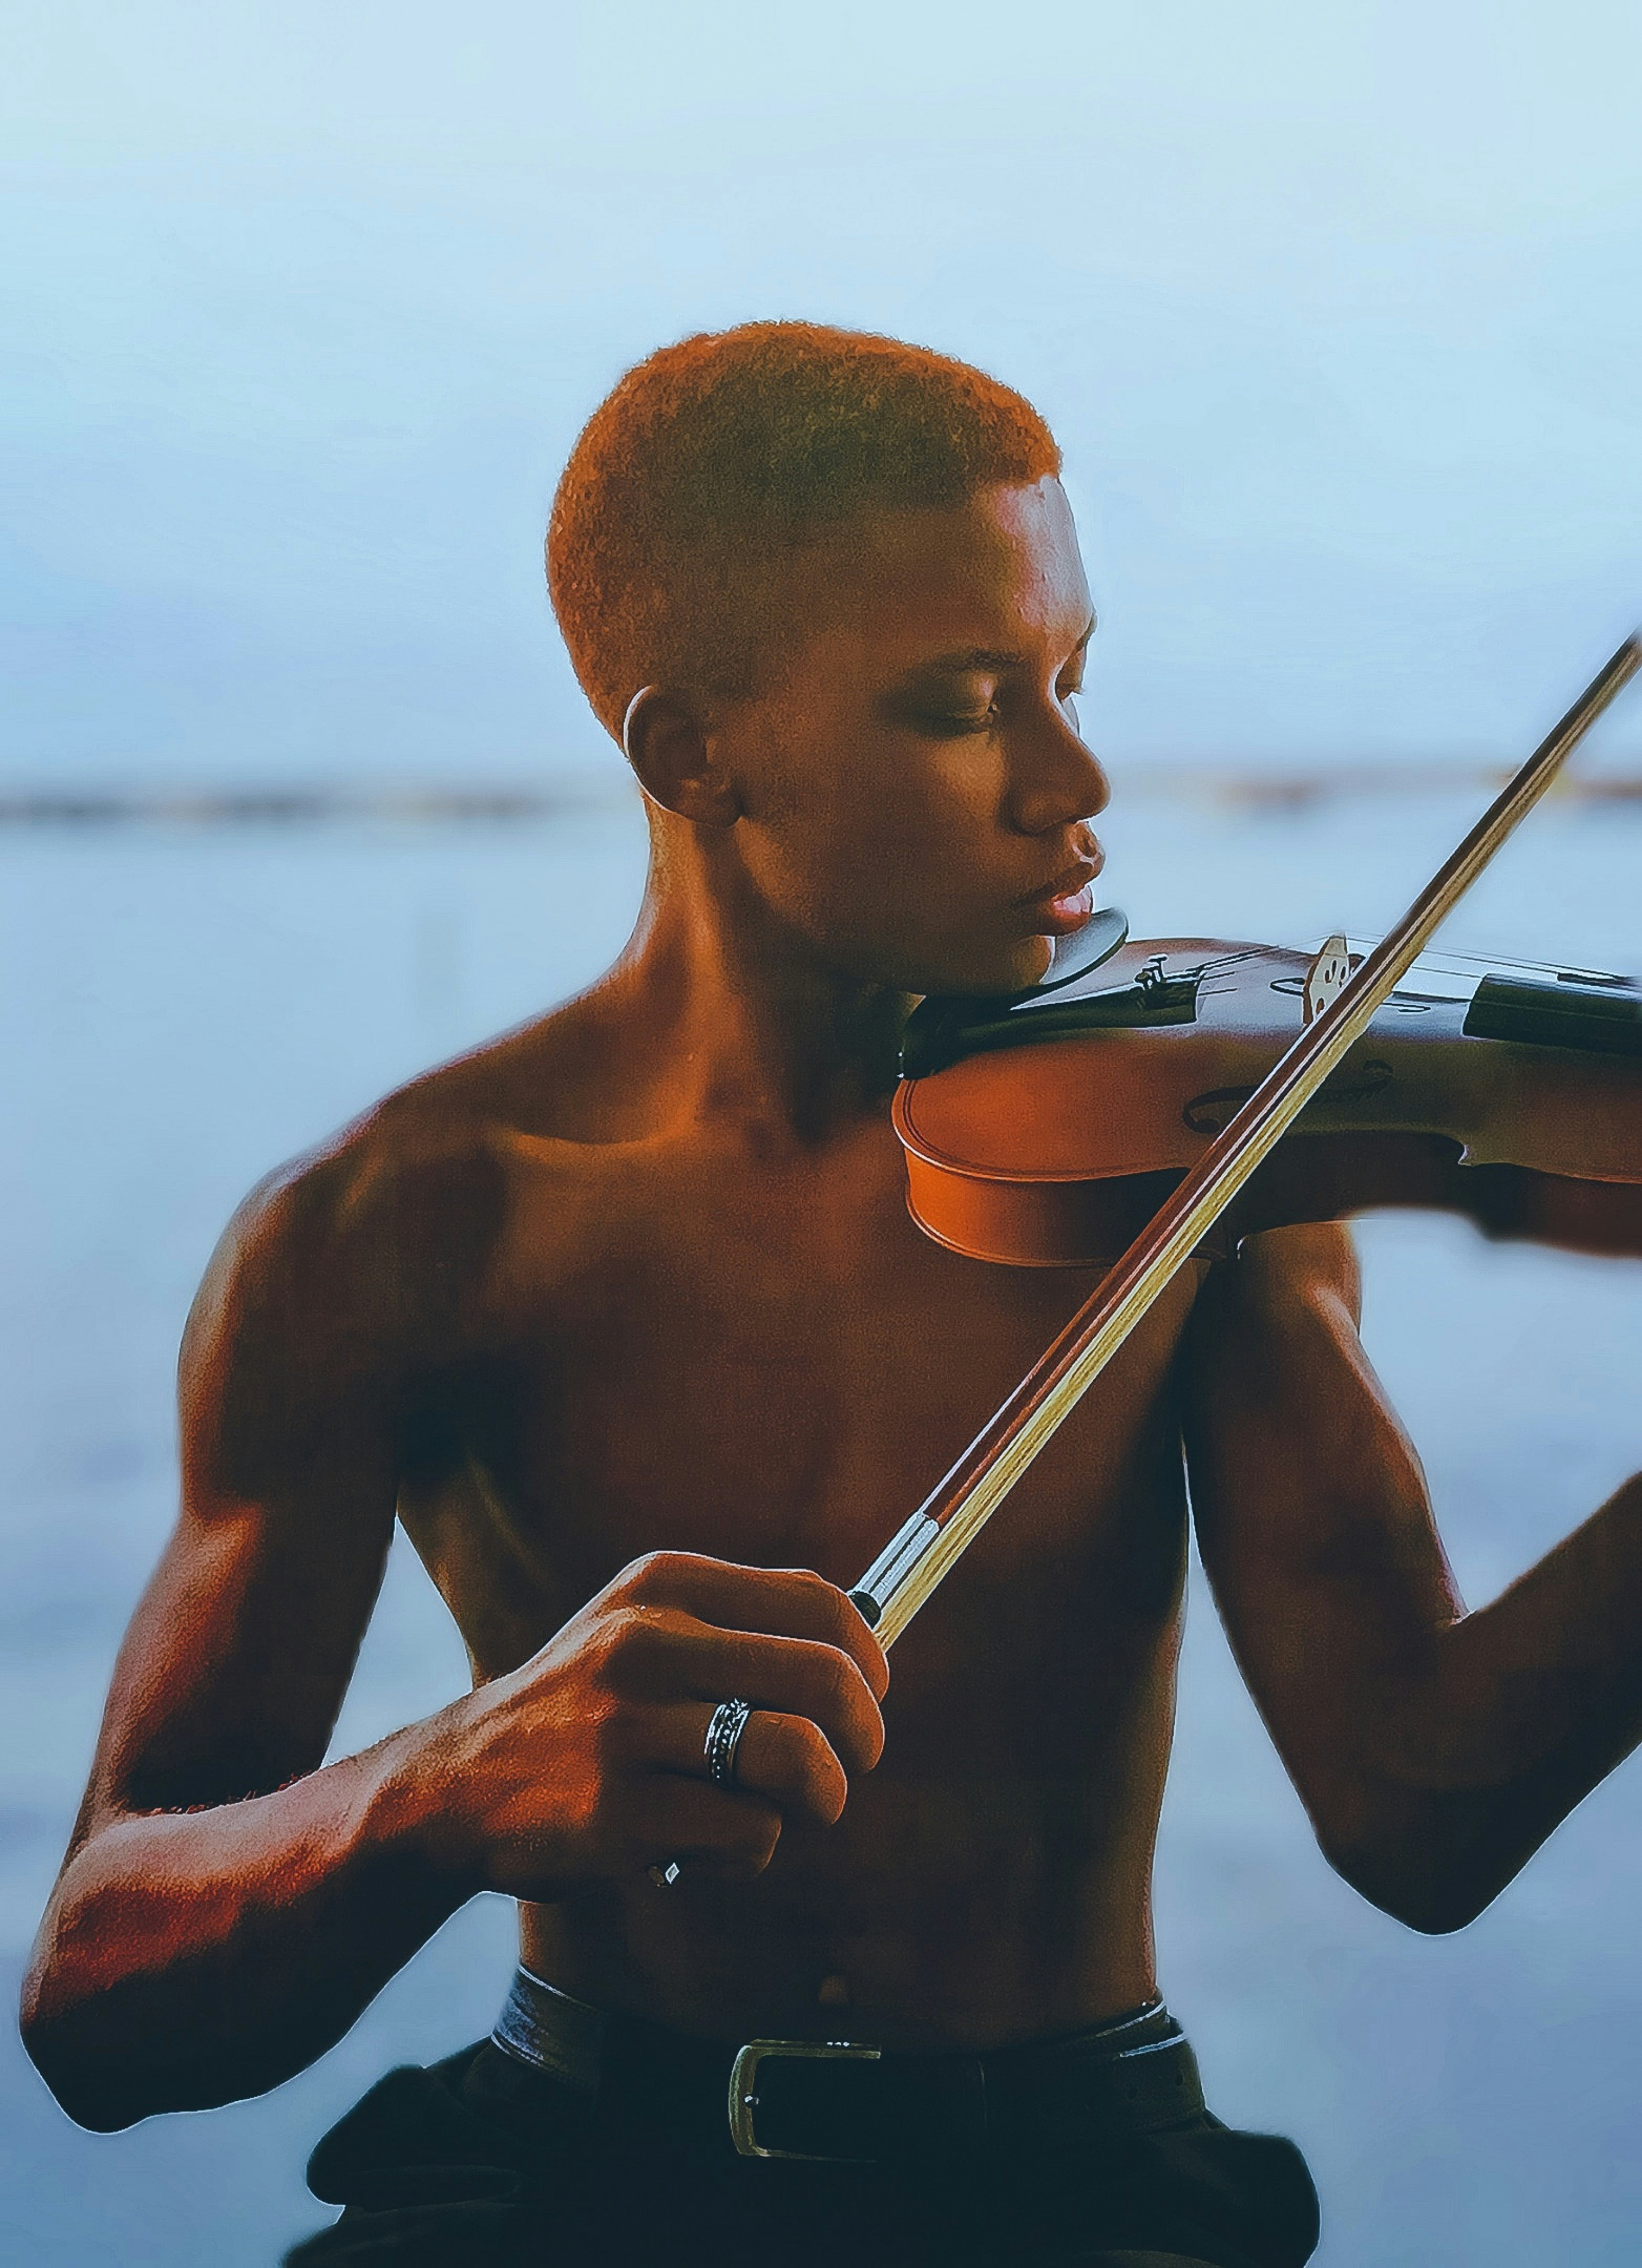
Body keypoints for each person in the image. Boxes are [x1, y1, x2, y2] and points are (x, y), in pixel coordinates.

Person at [20, 323, 1642, 2267]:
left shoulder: (1209, 1158)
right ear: (692, 750)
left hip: (1079, 2187)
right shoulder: (393, 1231)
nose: (1076, 779)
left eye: (1069, 676)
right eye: (966, 705)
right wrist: (433, 1794)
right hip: (555, 2177)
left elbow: (1418, 1808)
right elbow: (98, 2002)